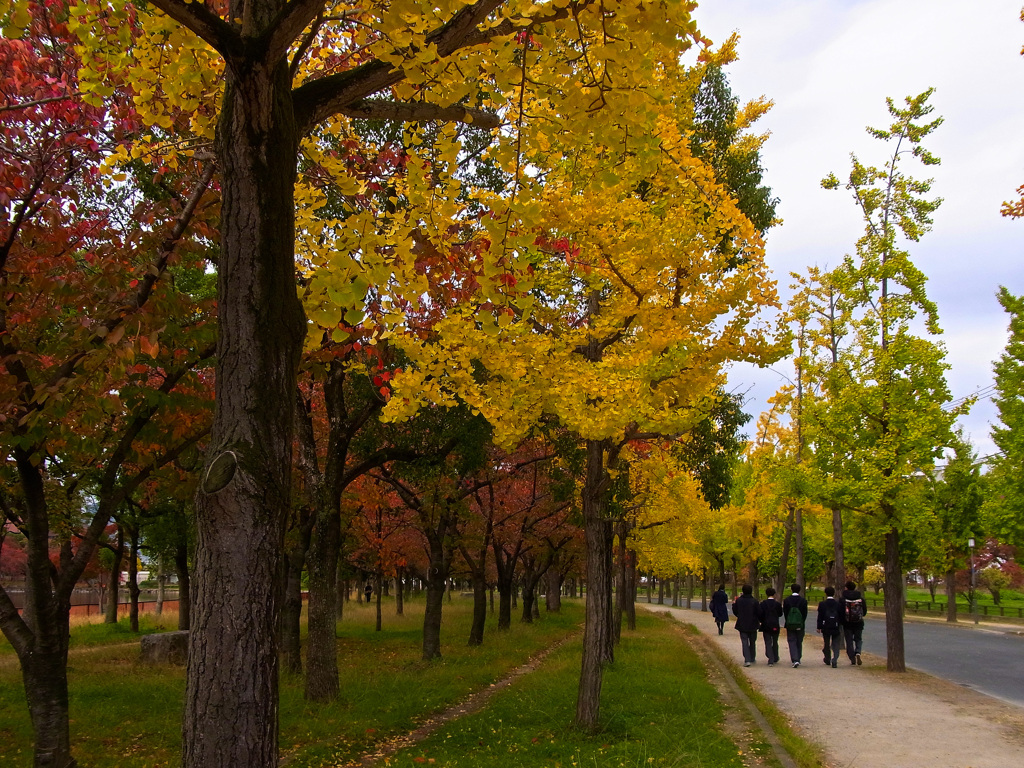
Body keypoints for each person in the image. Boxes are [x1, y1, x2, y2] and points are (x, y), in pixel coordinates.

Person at [732, 584, 761, 667]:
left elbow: (735, 611)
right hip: (753, 623)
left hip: (742, 623)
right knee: (752, 641)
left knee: (744, 642)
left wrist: (739, 615)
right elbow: (759, 612)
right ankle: (752, 657)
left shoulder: (739, 601)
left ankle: (747, 659)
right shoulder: (755, 601)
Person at [839, 580, 867, 665]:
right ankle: (858, 651)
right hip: (858, 622)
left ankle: (852, 657)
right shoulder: (860, 598)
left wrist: (841, 621)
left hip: (847, 623)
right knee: (858, 639)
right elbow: (864, 612)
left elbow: (840, 611)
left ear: (846, 588)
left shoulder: (843, 599)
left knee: (849, 640)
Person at [782, 583, 808, 668]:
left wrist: (788, 620)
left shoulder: (787, 600)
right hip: (800, 623)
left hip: (790, 623)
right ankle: (798, 657)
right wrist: (802, 621)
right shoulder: (803, 601)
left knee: (792, 641)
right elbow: (805, 613)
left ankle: (794, 659)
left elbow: (785, 613)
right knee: (799, 641)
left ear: (791, 589)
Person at [816, 586, 842, 668]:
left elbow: (820, 616)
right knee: (836, 643)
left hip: (826, 625)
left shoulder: (822, 604)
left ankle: (827, 658)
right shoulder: (838, 604)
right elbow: (841, 615)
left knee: (826, 643)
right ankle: (835, 659)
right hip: (836, 625)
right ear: (834, 593)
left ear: (825, 593)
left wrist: (819, 627)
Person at [759, 586, 783, 666]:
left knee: (768, 642)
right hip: (775, 624)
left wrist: (761, 621)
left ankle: (770, 658)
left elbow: (760, 614)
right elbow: (780, 614)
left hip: (766, 624)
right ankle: (775, 656)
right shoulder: (777, 604)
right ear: (774, 594)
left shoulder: (763, 604)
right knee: (775, 641)